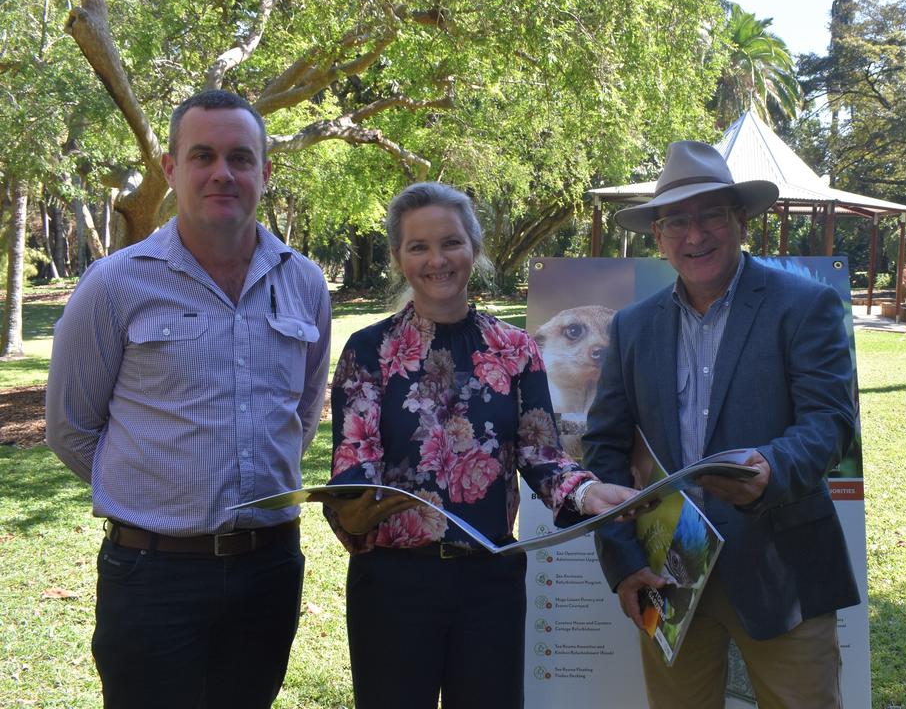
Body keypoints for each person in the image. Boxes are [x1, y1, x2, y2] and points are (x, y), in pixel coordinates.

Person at [44, 90, 331, 708]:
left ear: (265, 171)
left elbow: (301, 417)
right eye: (202, 155)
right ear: (170, 168)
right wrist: (157, 497)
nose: (222, 173)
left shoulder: (305, 282)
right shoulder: (115, 284)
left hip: (269, 570)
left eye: (240, 157)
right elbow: (70, 427)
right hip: (153, 575)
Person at [318, 181, 640, 709]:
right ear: (399, 257)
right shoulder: (368, 349)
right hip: (394, 584)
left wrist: (587, 493)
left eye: (450, 242)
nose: (436, 259)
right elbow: (354, 462)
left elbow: (541, 453)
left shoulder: (514, 350)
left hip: (490, 579)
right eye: (418, 246)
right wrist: (348, 510)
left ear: (474, 247)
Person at [584, 140, 861, 708]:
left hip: (781, 565)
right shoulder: (634, 328)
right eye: (676, 221)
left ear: (739, 221)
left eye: (712, 213)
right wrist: (624, 561)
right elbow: (605, 446)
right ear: (657, 237)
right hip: (669, 576)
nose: (695, 234)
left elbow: (830, 422)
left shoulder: (804, 306)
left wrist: (773, 465)